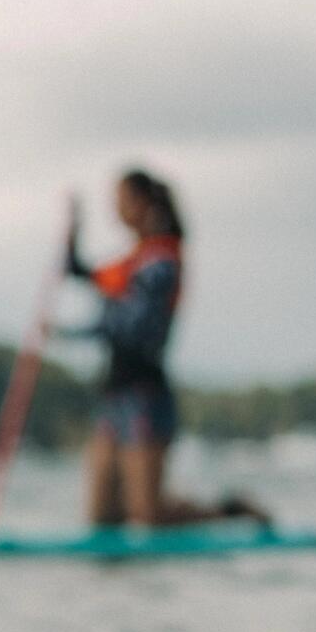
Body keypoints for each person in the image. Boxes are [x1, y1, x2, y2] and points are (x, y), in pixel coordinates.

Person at [65, 169, 269, 528]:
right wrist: (72, 231)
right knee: (102, 516)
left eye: (122, 202)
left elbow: (132, 327)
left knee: (148, 514)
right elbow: (80, 272)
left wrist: (72, 333)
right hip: (114, 392)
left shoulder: (162, 261)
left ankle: (232, 512)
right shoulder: (132, 261)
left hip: (145, 393)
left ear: (143, 204)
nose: (116, 211)